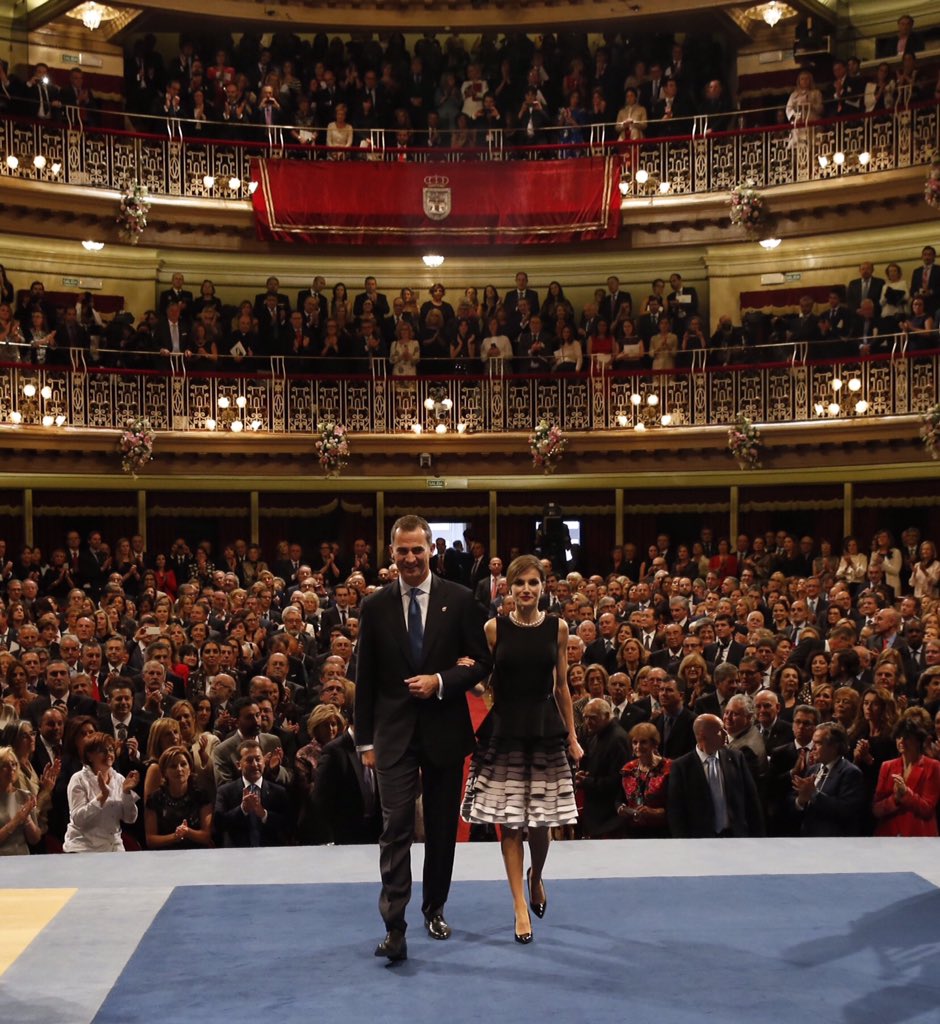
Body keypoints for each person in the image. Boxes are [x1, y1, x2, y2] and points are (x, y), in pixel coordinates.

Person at [354, 514, 491, 963]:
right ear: (391, 554)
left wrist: (440, 679)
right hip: (392, 737)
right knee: (394, 830)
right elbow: (367, 678)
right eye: (402, 551)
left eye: (418, 549)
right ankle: (394, 926)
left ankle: (435, 908)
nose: (410, 558)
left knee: (439, 828)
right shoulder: (374, 607)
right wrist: (365, 743)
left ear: (432, 550)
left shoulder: (462, 599)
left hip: (444, 731)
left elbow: (481, 665)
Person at [461, 554, 581, 944]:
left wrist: (574, 737)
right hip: (506, 728)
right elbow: (486, 684)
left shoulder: (558, 628)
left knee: (543, 823)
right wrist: (467, 676)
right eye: (519, 584)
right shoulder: (493, 629)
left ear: (543, 587)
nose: (526, 590)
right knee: (510, 823)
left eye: (533, 583)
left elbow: (562, 686)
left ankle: (537, 875)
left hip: (545, 727)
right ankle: (517, 906)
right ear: (508, 589)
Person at [667, 714, 764, 838]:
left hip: (736, 838)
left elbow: (752, 801)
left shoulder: (736, 758)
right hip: (700, 842)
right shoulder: (681, 767)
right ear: (703, 735)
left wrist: (759, 837)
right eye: (719, 731)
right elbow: (676, 812)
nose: (726, 733)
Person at [63, 731, 140, 853]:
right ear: (89, 756)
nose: (108, 754)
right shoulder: (78, 779)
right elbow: (78, 819)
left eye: (110, 750)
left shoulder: (119, 779)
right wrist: (101, 797)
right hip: (84, 848)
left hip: (113, 847)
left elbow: (130, 818)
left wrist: (126, 793)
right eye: (102, 751)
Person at [872, 716, 940, 836]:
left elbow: (927, 809)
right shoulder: (886, 766)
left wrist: (906, 793)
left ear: (918, 740)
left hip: (919, 837)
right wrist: (895, 799)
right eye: (899, 737)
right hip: (889, 836)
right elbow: (876, 810)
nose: (901, 741)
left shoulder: (933, 766)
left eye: (907, 737)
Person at [144, 745, 212, 849]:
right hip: (165, 855)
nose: (179, 769)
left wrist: (187, 832)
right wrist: (175, 836)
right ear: (164, 772)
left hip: (196, 854)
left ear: (190, 768)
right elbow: (151, 839)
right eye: (173, 766)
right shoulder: (155, 799)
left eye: (183, 764)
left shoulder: (201, 796)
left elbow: (206, 836)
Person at [617, 721, 671, 838]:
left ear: (654, 744)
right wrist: (623, 809)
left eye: (643, 742)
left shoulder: (669, 768)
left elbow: (677, 804)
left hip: (661, 833)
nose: (638, 746)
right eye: (635, 742)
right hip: (632, 832)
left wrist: (655, 813)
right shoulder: (628, 769)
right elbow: (618, 800)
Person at [0, 745, 41, 855]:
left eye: (13, 764)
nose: (11, 769)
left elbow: (35, 839)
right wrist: (16, 821)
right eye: (5, 765)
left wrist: (27, 819)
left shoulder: (25, 796)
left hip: (22, 859)